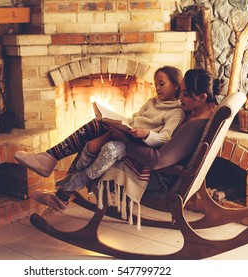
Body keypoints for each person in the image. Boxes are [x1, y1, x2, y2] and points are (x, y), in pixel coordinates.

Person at [28, 68, 223, 211]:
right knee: (98, 132)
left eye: (186, 94)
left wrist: (127, 139)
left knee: (98, 136)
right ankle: (59, 186)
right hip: (147, 158)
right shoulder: (198, 114)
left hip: (158, 179)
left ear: (202, 97)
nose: (181, 98)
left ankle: (57, 179)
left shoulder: (191, 125)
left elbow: (158, 160)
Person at [14, 66, 183, 184]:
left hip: (137, 143)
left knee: (94, 128)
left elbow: (166, 137)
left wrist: (146, 133)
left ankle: (50, 160)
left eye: (162, 84)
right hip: (129, 133)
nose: (157, 88)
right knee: (95, 128)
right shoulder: (151, 102)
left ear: (175, 86)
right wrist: (123, 124)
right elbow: (135, 118)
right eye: (156, 85)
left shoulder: (176, 112)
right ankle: (54, 171)